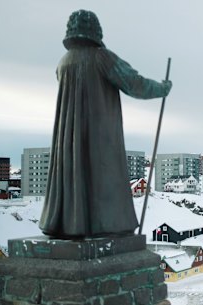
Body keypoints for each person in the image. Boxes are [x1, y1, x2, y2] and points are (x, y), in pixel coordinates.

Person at [39, 10, 172, 239]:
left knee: (73, 174)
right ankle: (107, 225)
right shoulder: (101, 57)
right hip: (99, 133)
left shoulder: (64, 63)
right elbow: (134, 83)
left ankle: (67, 223)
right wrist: (162, 88)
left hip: (68, 136)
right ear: (95, 31)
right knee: (103, 175)